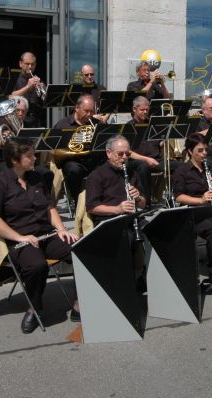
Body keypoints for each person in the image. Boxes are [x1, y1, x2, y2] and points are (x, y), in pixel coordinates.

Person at [0, 138, 79, 334]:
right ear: (15, 160)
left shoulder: (36, 178)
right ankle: (34, 308)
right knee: (36, 266)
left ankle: (79, 302)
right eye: (29, 156)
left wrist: (61, 229)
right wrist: (19, 237)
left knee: (80, 251)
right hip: (19, 240)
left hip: (45, 235)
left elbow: (50, 207)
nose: (34, 158)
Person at [85, 136, 147, 283]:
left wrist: (138, 197)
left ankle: (145, 275)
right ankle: (126, 280)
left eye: (127, 154)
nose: (124, 157)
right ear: (109, 153)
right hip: (109, 220)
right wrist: (118, 209)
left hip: (131, 218)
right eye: (120, 154)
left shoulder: (132, 172)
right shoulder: (97, 175)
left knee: (155, 230)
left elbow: (143, 204)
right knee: (127, 237)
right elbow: (92, 207)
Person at [171, 134, 212, 293]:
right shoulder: (182, 171)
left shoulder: (210, 168)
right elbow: (178, 196)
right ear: (190, 151)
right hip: (191, 213)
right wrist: (200, 200)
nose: (204, 153)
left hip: (209, 211)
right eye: (200, 150)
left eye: (206, 150)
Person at [127, 96, 181, 200]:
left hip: (156, 160)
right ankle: (146, 201)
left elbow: (159, 143)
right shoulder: (129, 127)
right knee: (143, 167)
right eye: (142, 110)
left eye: (147, 110)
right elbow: (127, 152)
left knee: (179, 166)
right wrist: (146, 159)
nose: (145, 112)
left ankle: (178, 197)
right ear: (134, 109)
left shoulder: (153, 124)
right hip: (137, 161)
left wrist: (167, 139)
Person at [52, 94, 101, 203]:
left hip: (92, 160)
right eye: (86, 111)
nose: (89, 114)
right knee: (74, 170)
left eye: (92, 111)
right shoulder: (63, 124)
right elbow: (55, 146)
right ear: (77, 108)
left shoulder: (96, 123)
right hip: (72, 161)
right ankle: (78, 202)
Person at [10, 52, 46, 128]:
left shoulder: (38, 80)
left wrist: (43, 90)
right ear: (20, 64)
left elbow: (45, 101)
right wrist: (28, 87)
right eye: (27, 64)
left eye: (32, 64)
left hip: (35, 121)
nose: (30, 67)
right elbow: (10, 97)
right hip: (18, 120)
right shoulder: (13, 79)